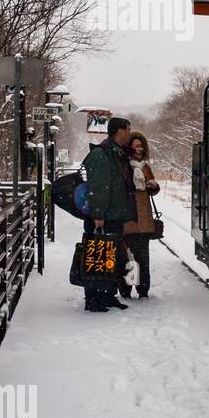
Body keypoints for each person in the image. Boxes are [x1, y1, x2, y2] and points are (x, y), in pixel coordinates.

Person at [80, 117, 136, 312]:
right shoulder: (102, 155)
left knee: (110, 256)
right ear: (119, 131)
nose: (130, 134)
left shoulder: (115, 153)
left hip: (113, 215)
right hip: (104, 216)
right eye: (128, 130)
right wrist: (98, 214)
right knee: (97, 255)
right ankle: (94, 299)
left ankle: (108, 295)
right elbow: (99, 187)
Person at [120, 131, 161, 299]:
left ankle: (143, 289)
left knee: (143, 256)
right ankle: (127, 289)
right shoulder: (124, 165)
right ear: (129, 147)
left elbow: (153, 190)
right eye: (136, 146)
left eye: (141, 146)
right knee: (128, 255)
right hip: (129, 216)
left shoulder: (145, 166)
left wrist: (153, 186)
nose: (139, 148)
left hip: (144, 217)